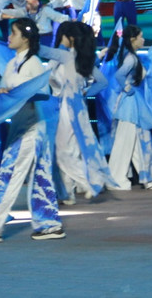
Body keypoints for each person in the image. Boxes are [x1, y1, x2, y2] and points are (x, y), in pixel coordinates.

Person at [0, 17, 66, 242]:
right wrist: (3, 92)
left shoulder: (33, 63)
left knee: (10, 175)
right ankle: (49, 225)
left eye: (14, 33)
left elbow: (43, 92)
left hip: (32, 129)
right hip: (19, 126)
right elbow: (1, 89)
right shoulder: (13, 63)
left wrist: (16, 94)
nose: (9, 37)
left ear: (26, 38)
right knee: (38, 177)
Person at [45, 20, 115, 204]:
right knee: (72, 150)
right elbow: (102, 82)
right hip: (77, 107)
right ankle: (67, 193)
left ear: (68, 37)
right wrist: (84, 93)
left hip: (64, 108)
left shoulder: (63, 56)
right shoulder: (81, 58)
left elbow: (45, 70)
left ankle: (90, 181)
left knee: (62, 151)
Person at [104, 26, 152, 190]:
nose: (143, 39)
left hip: (132, 104)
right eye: (141, 36)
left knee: (135, 142)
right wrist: (127, 88)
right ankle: (119, 178)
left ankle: (149, 177)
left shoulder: (131, 56)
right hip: (129, 105)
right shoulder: (131, 58)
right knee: (125, 142)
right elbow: (119, 75)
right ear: (132, 39)